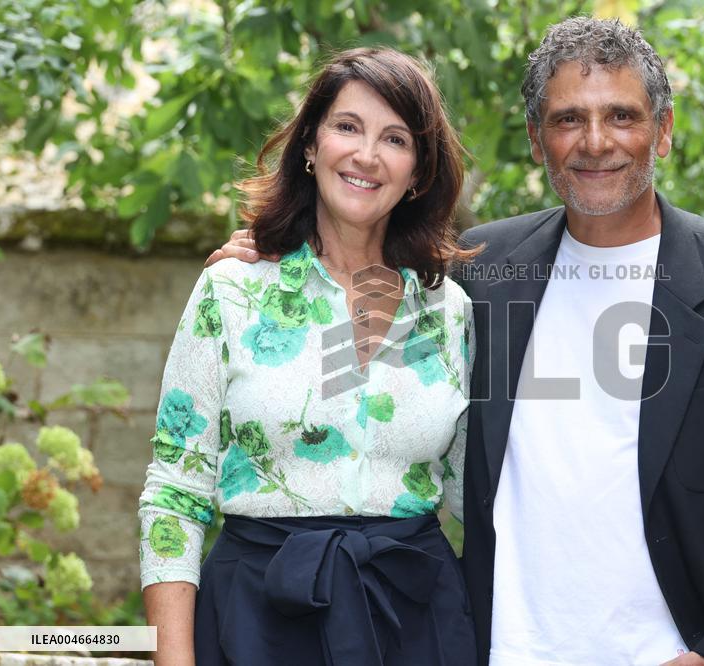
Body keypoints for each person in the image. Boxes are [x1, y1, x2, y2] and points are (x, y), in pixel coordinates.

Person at [211, 17, 704, 666]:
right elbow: (356, 290)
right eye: (568, 119)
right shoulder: (477, 274)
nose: (595, 142)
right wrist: (272, 261)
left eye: (622, 116)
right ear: (536, 139)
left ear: (663, 130)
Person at [140, 47, 478, 666]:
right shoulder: (232, 289)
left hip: (414, 623)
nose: (366, 155)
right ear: (310, 145)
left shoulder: (449, 310)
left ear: (419, 173)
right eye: (347, 127)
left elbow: (472, 496)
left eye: (395, 138)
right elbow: (173, 493)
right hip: (255, 619)